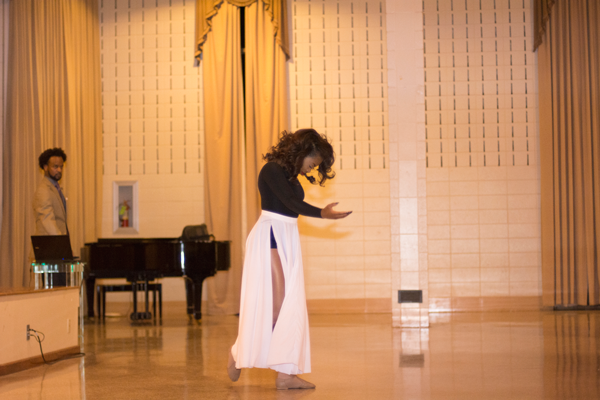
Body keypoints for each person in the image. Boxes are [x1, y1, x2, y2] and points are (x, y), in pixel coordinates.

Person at [227, 129, 351, 390]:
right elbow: (290, 203)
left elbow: (293, 204)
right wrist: (322, 214)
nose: (312, 169)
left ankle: (286, 374)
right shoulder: (271, 170)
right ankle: (238, 353)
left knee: (290, 306)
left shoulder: (293, 176)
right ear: (303, 151)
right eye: (313, 163)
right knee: (279, 306)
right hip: (271, 236)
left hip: (287, 237)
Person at [33, 148, 68, 235]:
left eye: (61, 166)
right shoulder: (43, 190)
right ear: (45, 167)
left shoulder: (55, 188)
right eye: (55, 167)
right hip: (49, 245)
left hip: (55, 244)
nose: (59, 170)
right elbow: (47, 220)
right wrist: (61, 243)